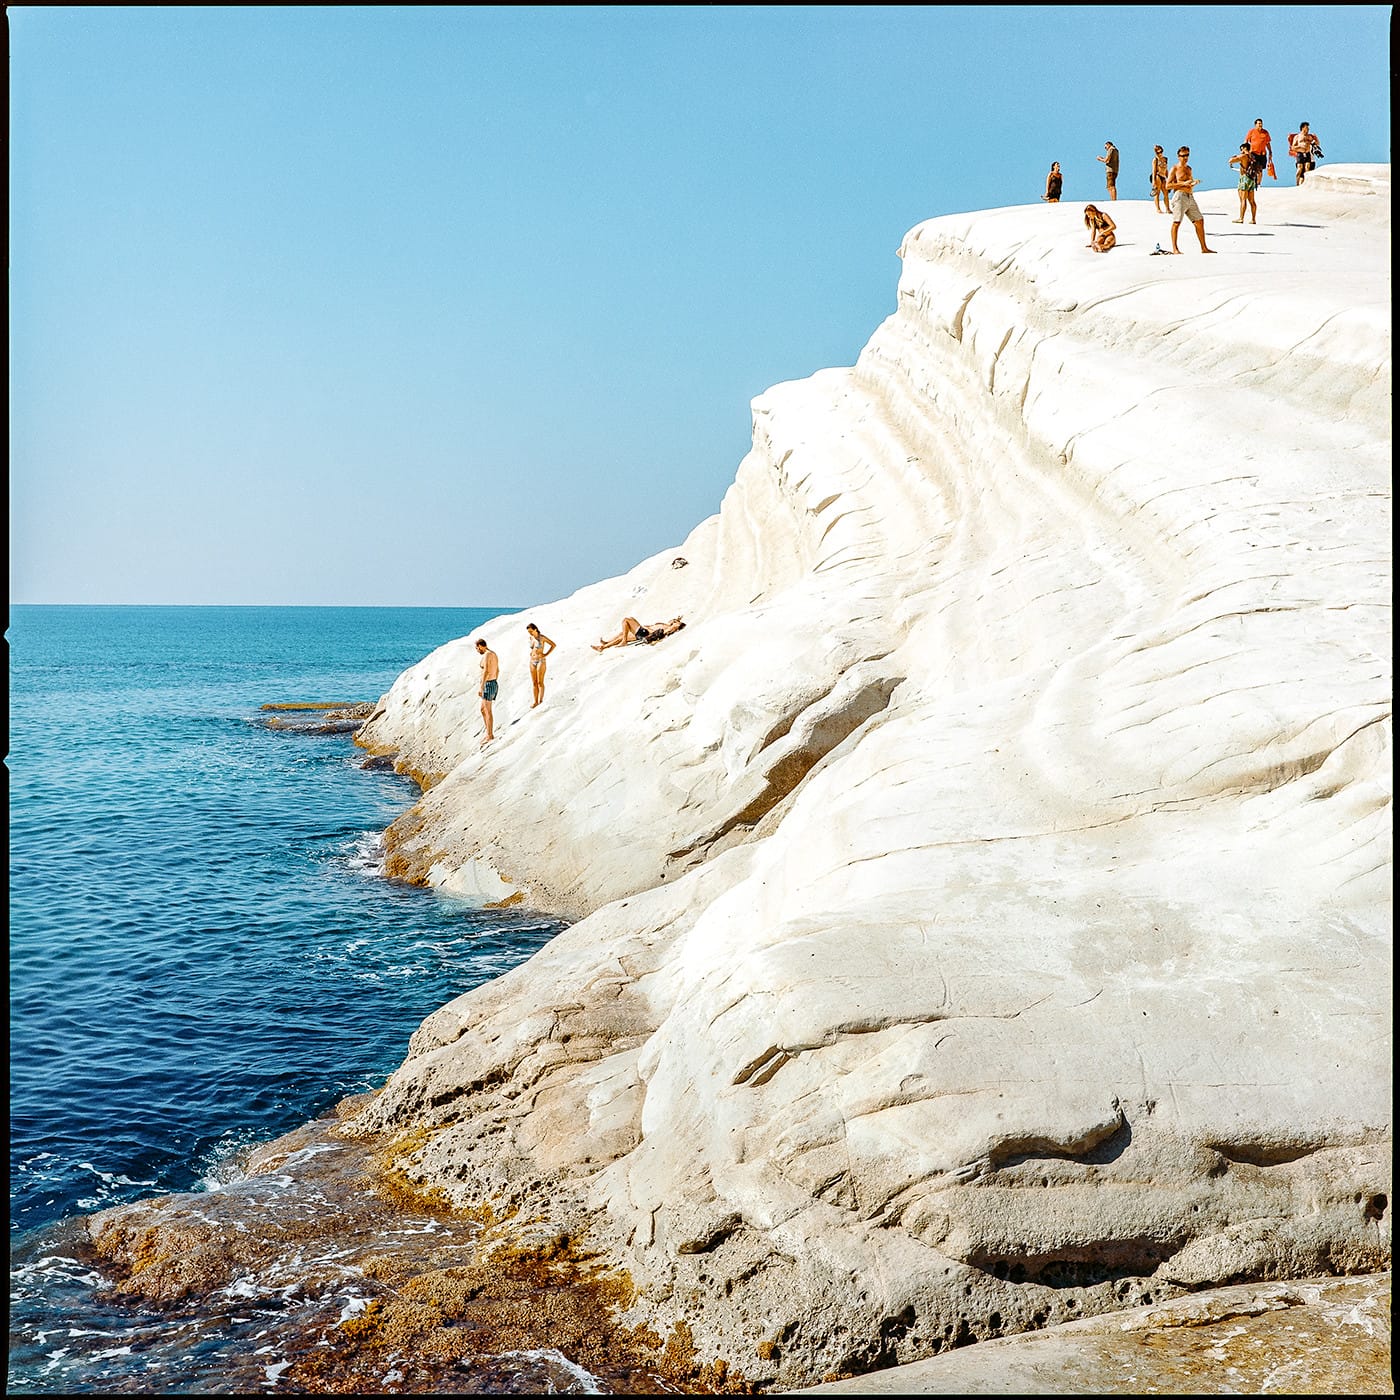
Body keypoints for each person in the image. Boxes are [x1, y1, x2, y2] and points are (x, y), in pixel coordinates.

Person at [1166, 146, 1215, 254]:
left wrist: (1193, 183)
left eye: (1187, 155)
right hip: (1179, 196)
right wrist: (1183, 183)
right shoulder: (1174, 168)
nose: (1185, 158)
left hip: (1189, 196)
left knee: (1199, 220)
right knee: (1176, 222)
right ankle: (1175, 248)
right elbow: (1168, 185)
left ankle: (1204, 247)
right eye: (1183, 155)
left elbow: (1189, 182)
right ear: (1178, 156)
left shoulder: (1189, 169)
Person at [592, 616, 685, 651]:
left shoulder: (669, 627)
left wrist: (676, 624)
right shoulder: (665, 624)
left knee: (626, 620)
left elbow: (662, 633)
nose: (673, 620)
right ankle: (604, 646)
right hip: (643, 631)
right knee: (623, 633)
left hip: (645, 633)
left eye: (675, 621)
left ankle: (623, 641)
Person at [525, 622, 556, 708]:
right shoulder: (531, 638)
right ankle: (535, 701)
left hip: (540, 660)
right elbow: (533, 648)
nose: (530, 633)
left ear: (535, 629)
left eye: (531, 631)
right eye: (528, 632)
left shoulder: (542, 638)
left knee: (540, 682)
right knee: (534, 683)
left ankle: (541, 700)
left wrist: (546, 654)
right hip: (532, 661)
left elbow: (553, 645)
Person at [1229, 142, 1259, 224]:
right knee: (1252, 200)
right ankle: (1253, 219)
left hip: (1244, 178)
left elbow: (1230, 161)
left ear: (1244, 148)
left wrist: (1235, 156)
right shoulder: (1252, 157)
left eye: (1241, 149)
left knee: (1243, 199)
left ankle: (1241, 218)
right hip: (1251, 179)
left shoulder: (1243, 156)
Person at [475, 638, 499, 744]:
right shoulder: (493, 654)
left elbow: (486, 671)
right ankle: (488, 733)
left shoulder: (487, 655)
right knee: (483, 709)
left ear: (481, 646)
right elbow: (497, 670)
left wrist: (482, 686)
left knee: (487, 710)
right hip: (493, 682)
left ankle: (490, 735)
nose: (477, 650)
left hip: (488, 684)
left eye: (477, 648)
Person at [1151, 145, 1169, 212]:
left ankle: (1167, 208)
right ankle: (1158, 208)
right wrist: (1153, 181)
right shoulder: (1155, 160)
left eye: (1160, 152)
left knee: (1166, 193)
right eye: (1157, 153)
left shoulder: (1165, 159)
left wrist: (1169, 178)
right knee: (1157, 193)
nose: (1159, 154)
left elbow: (1166, 169)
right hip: (1158, 176)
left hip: (1163, 176)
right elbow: (1154, 170)